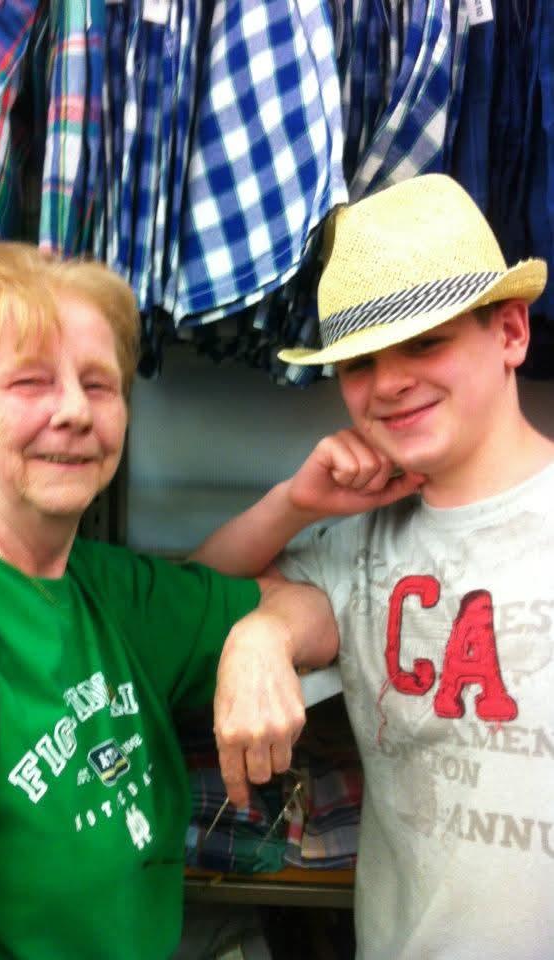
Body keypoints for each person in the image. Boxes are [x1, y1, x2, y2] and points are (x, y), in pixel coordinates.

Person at [0, 243, 335, 959]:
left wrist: (262, 639)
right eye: (31, 383)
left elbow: (314, 614)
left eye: (99, 385)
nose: (74, 411)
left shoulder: (102, 587)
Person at [193, 174, 554, 960]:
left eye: (425, 341)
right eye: (359, 361)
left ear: (511, 332)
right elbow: (189, 594)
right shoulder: (357, 542)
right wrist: (290, 515)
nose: (388, 383)